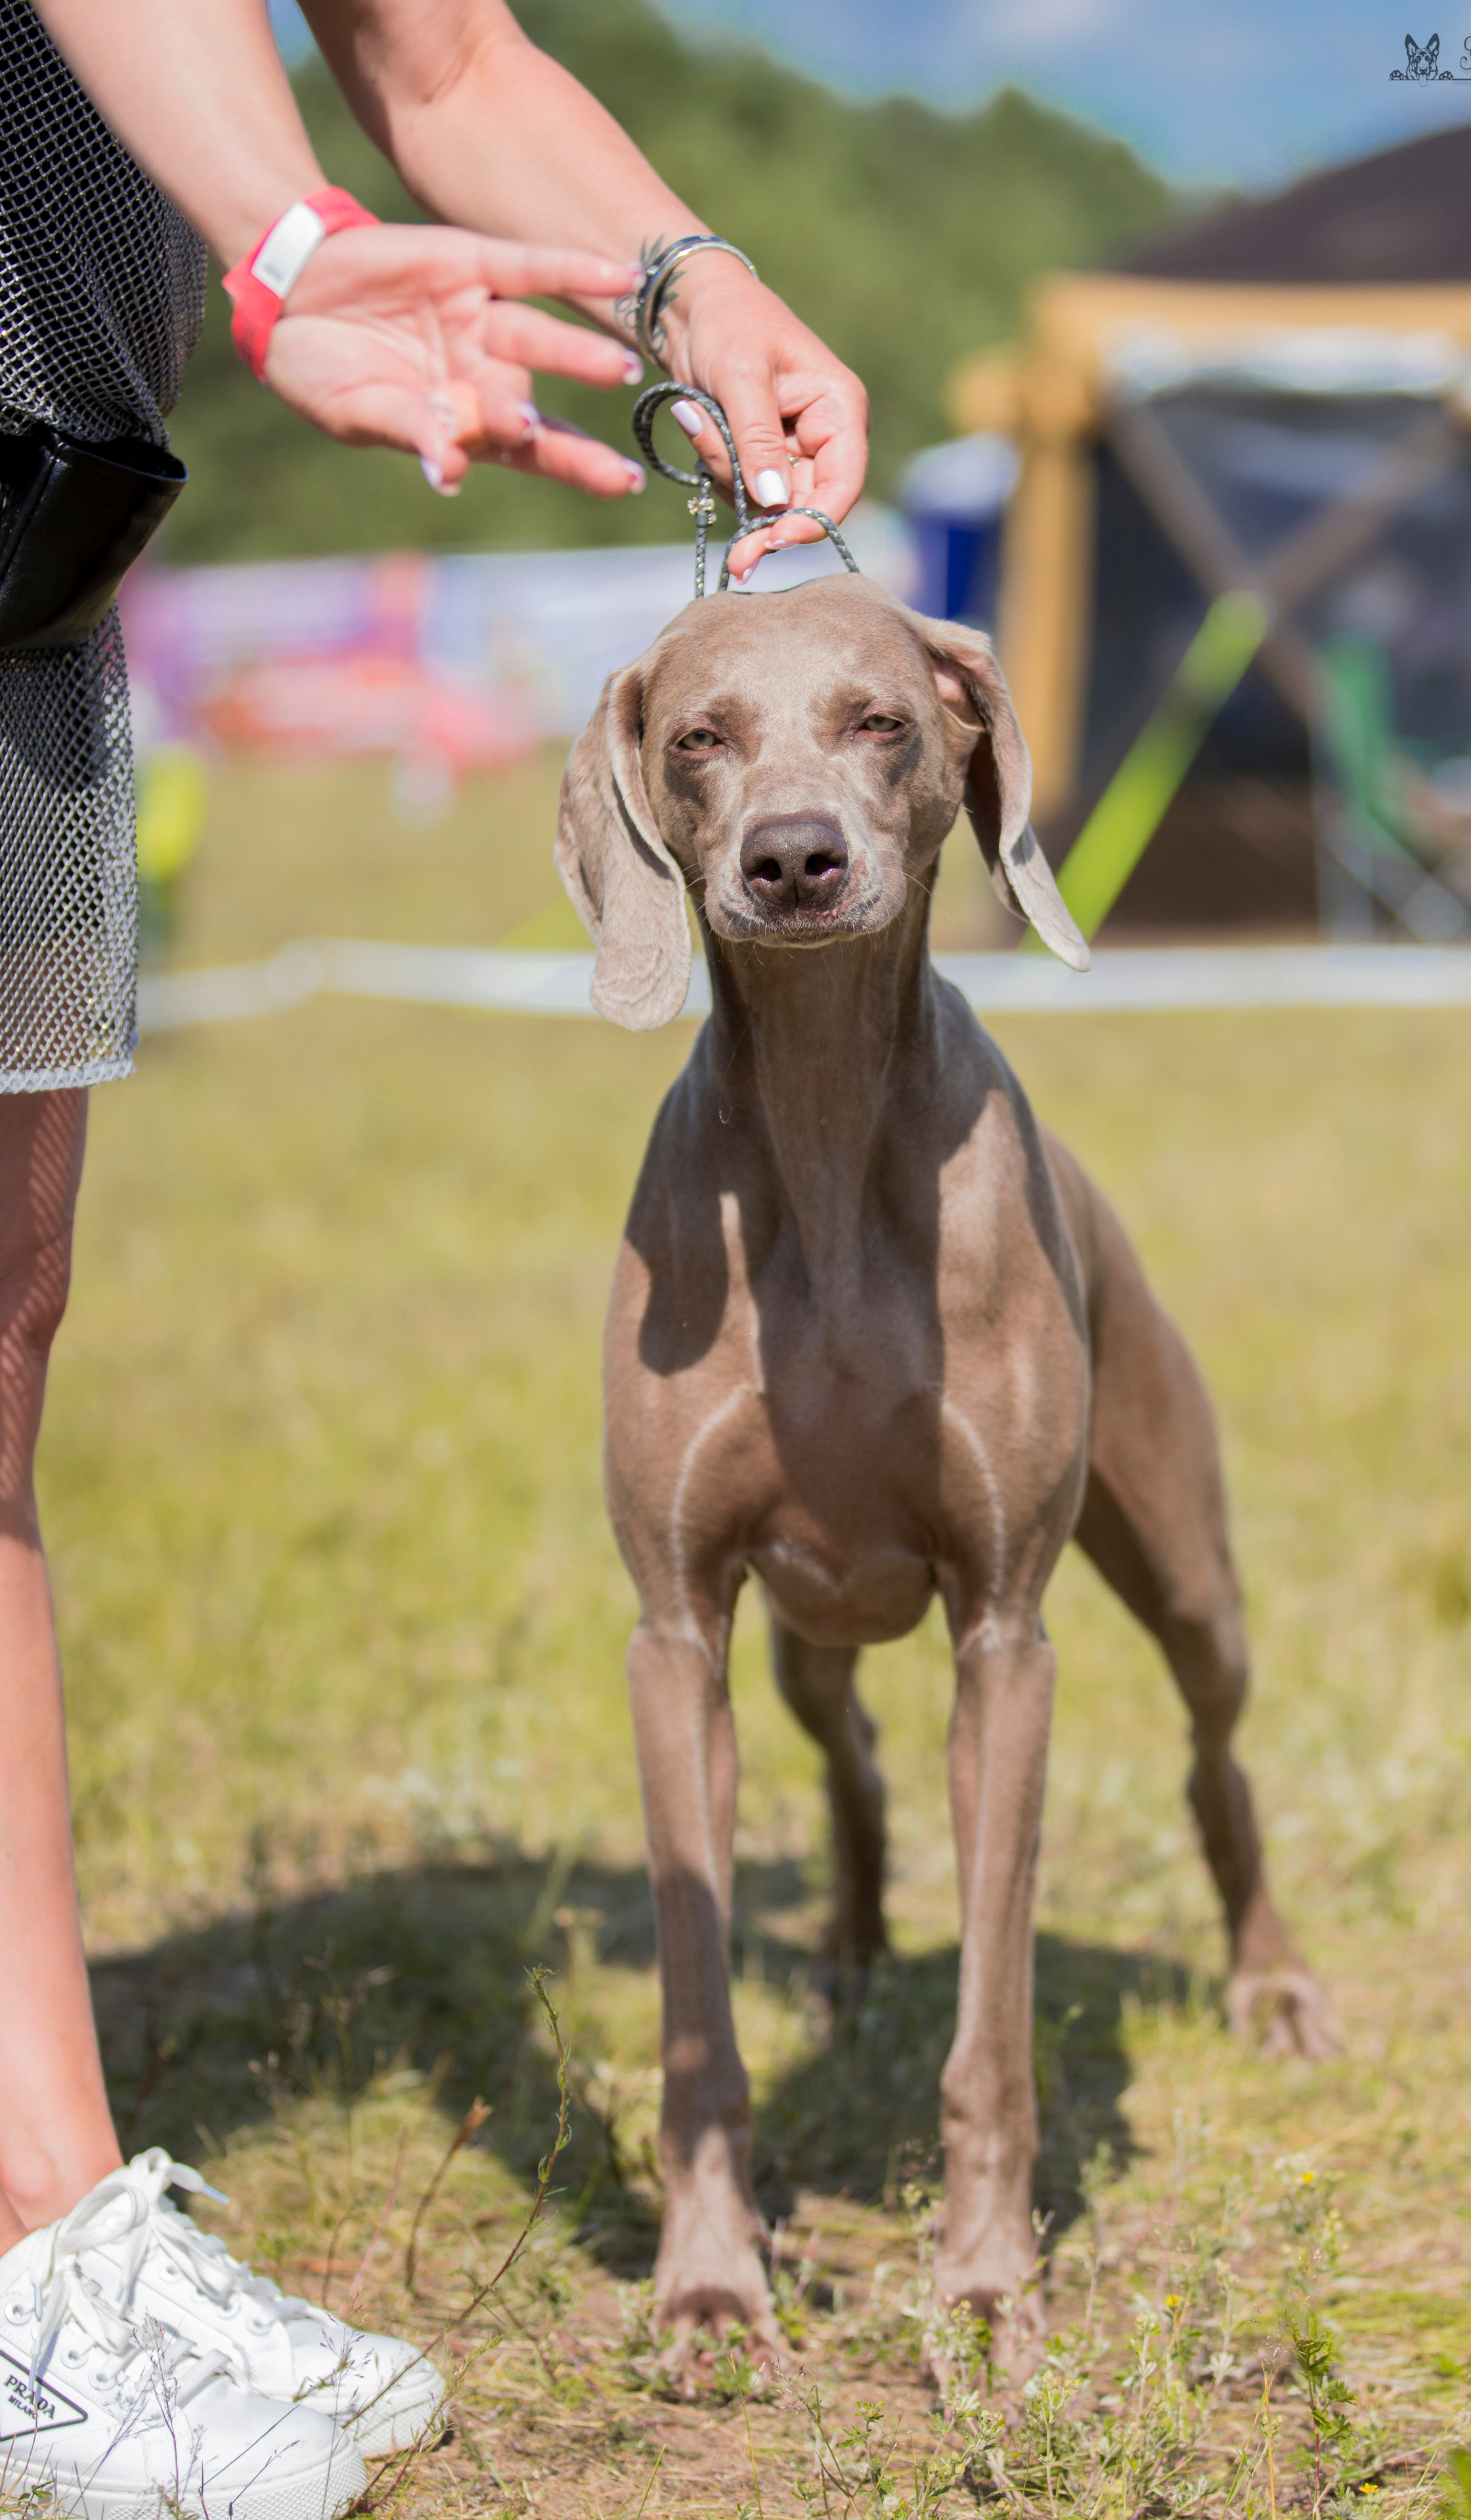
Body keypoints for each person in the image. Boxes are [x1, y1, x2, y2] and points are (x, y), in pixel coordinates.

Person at [0, 0, 867, 2506]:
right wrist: (286, 238)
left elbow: (438, 40)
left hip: (38, 514)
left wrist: (694, 288)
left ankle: (48, 2249)